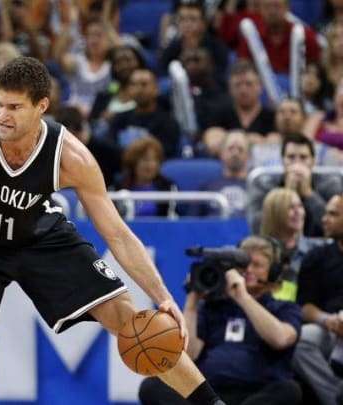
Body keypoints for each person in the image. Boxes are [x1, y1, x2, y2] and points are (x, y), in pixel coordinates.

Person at [0, 56, 226, 405]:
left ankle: (211, 402)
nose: (3, 116)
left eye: (15, 107)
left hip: (39, 234)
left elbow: (116, 233)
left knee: (133, 322)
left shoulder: (71, 156)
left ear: (42, 106)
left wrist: (162, 296)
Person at [139, 236, 303, 405]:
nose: (248, 270)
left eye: (257, 265)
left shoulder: (284, 309)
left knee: (290, 390)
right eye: (243, 264)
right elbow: (188, 355)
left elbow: (281, 339)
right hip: (210, 395)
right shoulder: (212, 307)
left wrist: (242, 297)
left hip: (255, 393)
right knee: (152, 386)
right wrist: (193, 301)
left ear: (273, 271)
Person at [293, 194, 343, 405]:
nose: (324, 219)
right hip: (331, 329)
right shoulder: (317, 256)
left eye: (333, 214)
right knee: (301, 339)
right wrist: (327, 320)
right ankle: (335, 398)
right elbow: (304, 306)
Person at [248, 133, 343, 237]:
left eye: (303, 157)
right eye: (291, 157)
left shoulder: (329, 184)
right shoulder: (264, 185)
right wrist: (286, 195)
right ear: (282, 160)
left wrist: (309, 194)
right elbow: (256, 226)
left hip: (320, 245)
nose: (297, 163)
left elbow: (337, 226)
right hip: (276, 245)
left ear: (313, 160)